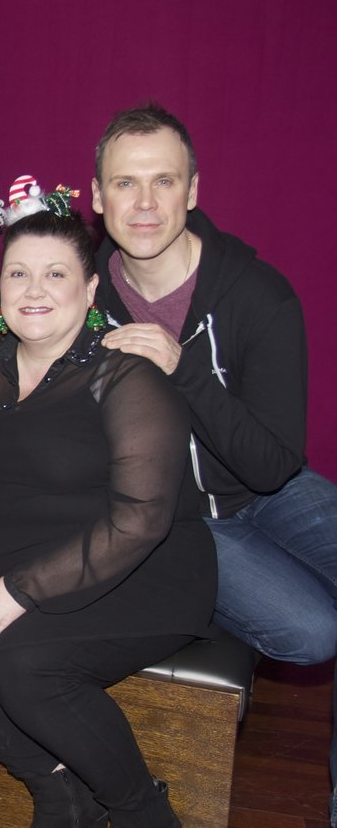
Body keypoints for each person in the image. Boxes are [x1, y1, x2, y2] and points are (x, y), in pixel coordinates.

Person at [0, 195, 216, 827]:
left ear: (90, 289)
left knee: (28, 665)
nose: (34, 290)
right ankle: (57, 786)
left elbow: (141, 518)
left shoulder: (125, 377)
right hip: (22, 562)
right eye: (17, 273)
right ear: (0, 286)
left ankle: (141, 810)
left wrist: (18, 592)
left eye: (55, 274)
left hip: (137, 572)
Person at [89, 102, 337, 817]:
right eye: (125, 184)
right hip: (183, 520)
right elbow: (15, 314)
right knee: (315, 630)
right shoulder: (83, 297)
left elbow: (272, 463)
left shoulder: (257, 295)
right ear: (97, 195)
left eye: (162, 182)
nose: (143, 204)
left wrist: (182, 367)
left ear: (193, 191)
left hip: (271, 488)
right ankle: (198, 601)